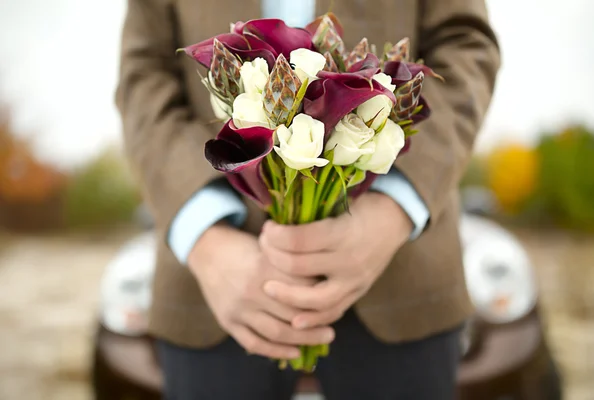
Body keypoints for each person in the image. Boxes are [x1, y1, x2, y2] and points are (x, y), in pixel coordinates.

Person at [116, 0, 500, 399]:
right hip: (212, 298)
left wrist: (394, 207)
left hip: (404, 285)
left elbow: (466, 45)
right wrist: (207, 239)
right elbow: (143, 72)